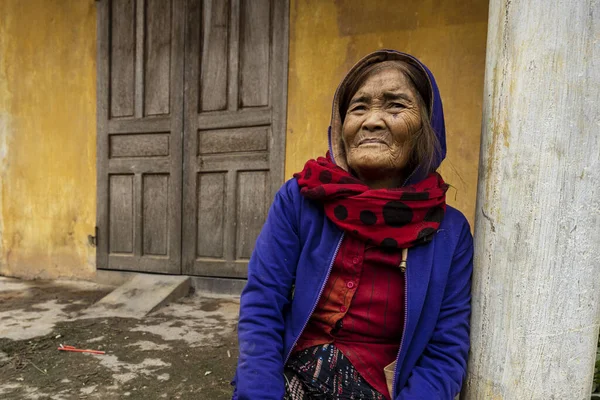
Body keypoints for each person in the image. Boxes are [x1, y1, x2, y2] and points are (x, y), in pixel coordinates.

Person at [232, 49, 473, 400]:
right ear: (341, 126)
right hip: (291, 376)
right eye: (358, 107)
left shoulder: (449, 233)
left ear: (427, 127)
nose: (372, 120)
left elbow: (445, 353)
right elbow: (263, 303)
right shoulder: (301, 199)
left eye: (395, 106)